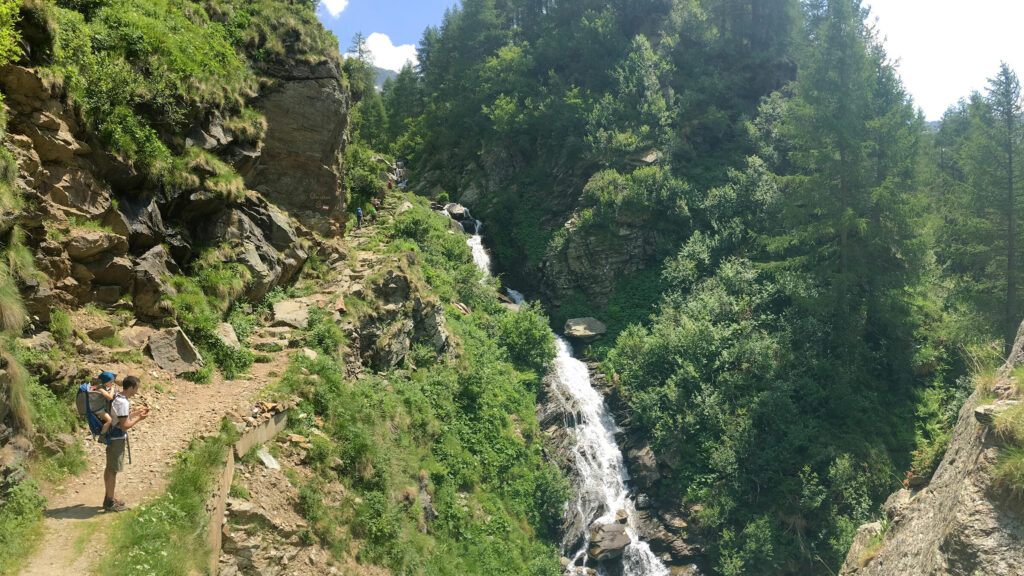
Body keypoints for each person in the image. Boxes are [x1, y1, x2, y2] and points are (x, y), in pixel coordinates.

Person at [104, 375, 150, 512]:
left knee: (109, 468)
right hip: (116, 439)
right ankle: (110, 503)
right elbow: (124, 426)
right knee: (113, 470)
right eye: (136, 388)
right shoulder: (123, 402)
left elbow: (120, 417)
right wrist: (139, 419)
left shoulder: (117, 396)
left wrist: (136, 413)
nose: (137, 391)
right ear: (131, 387)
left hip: (111, 437)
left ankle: (109, 497)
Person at [92, 371, 118, 438]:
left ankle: (107, 431)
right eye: (111, 382)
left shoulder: (103, 387)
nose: (112, 383)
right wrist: (112, 389)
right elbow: (109, 397)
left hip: (100, 407)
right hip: (98, 409)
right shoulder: (100, 388)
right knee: (109, 420)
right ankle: (102, 435)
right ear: (105, 382)